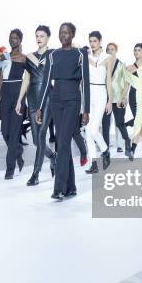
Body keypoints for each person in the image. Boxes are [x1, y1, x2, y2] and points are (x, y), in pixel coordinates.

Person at [35, 22, 90, 201]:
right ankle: (71, 187)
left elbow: (86, 83)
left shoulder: (80, 54)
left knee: (63, 142)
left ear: (72, 34)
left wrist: (86, 110)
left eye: (66, 32)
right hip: (56, 101)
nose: (63, 35)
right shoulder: (53, 54)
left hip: (73, 100)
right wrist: (40, 107)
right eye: (61, 32)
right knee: (62, 142)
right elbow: (45, 83)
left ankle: (58, 188)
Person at [15, 26, 56, 185]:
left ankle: (35, 174)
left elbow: (74, 48)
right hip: (32, 98)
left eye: (42, 36)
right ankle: (52, 156)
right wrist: (19, 100)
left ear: (48, 38)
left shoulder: (53, 54)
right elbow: (26, 79)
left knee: (41, 135)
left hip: (47, 98)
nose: (39, 38)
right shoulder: (30, 57)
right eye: (37, 35)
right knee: (35, 140)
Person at [0, 29, 26, 179]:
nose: (12, 40)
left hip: (18, 96)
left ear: (20, 40)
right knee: (4, 132)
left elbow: (30, 79)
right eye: (10, 38)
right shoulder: (4, 57)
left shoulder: (24, 58)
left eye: (15, 38)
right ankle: (18, 152)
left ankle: (10, 169)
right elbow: (0, 79)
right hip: (5, 96)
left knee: (13, 134)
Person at [84, 31, 113, 174]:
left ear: (100, 41)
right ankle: (93, 163)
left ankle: (105, 150)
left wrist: (110, 101)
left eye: (95, 41)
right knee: (87, 132)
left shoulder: (108, 58)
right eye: (90, 41)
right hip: (89, 94)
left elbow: (108, 80)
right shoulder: (86, 56)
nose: (92, 43)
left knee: (94, 129)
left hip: (101, 94)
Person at [123, 43, 142, 158]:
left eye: (139, 50)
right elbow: (127, 84)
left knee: (138, 121)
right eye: (135, 50)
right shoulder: (129, 67)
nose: (136, 52)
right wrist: (123, 97)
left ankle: (132, 149)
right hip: (132, 97)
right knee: (139, 123)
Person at [101, 43, 130, 157]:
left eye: (112, 49)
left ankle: (125, 141)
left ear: (116, 50)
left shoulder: (122, 64)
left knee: (119, 123)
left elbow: (127, 82)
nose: (110, 51)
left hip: (118, 97)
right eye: (108, 49)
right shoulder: (104, 64)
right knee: (105, 124)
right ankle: (105, 148)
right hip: (106, 97)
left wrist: (123, 97)